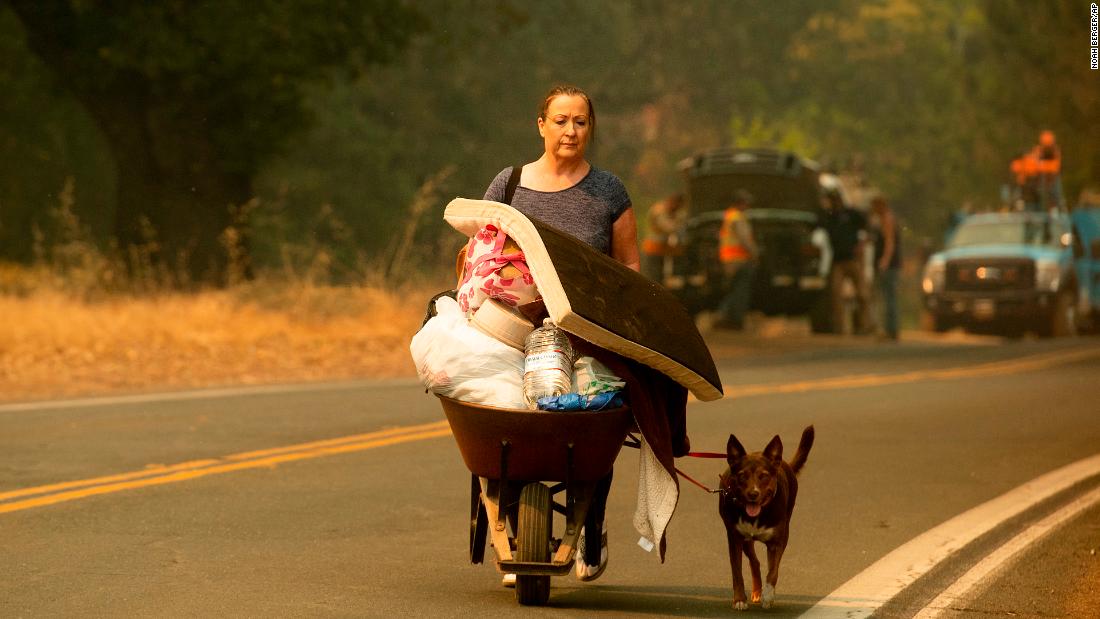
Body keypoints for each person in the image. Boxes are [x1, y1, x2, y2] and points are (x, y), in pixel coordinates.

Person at [481, 85, 640, 584]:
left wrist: (627, 321)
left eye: (581, 122)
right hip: (515, 330)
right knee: (507, 418)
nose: (571, 131)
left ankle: (590, 526)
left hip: (588, 332)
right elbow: (482, 254)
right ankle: (511, 525)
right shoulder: (509, 186)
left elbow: (629, 265)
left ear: (590, 128)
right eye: (561, 120)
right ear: (541, 124)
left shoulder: (608, 191)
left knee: (598, 418)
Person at [823, 191, 871, 333]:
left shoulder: (851, 214)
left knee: (862, 293)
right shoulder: (830, 217)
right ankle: (839, 327)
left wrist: (862, 244)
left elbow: (867, 226)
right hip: (838, 260)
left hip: (853, 259)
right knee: (836, 295)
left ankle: (864, 325)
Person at [714, 190, 759, 330]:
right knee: (740, 290)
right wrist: (755, 254)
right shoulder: (738, 218)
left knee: (732, 289)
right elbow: (745, 239)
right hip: (739, 260)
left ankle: (724, 317)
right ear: (741, 203)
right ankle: (734, 320)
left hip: (728, 260)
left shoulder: (728, 215)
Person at [870, 196, 901, 340]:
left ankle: (891, 330)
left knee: (889, 297)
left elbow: (890, 243)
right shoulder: (884, 219)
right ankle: (889, 329)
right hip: (889, 264)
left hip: (889, 265)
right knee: (888, 297)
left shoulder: (887, 219)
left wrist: (884, 261)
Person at [641, 193, 685, 282]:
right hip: (653, 249)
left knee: (659, 278)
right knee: (653, 279)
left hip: (660, 250)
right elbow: (669, 227)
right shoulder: (659, 210)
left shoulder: (666, 210)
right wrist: (678, 221)